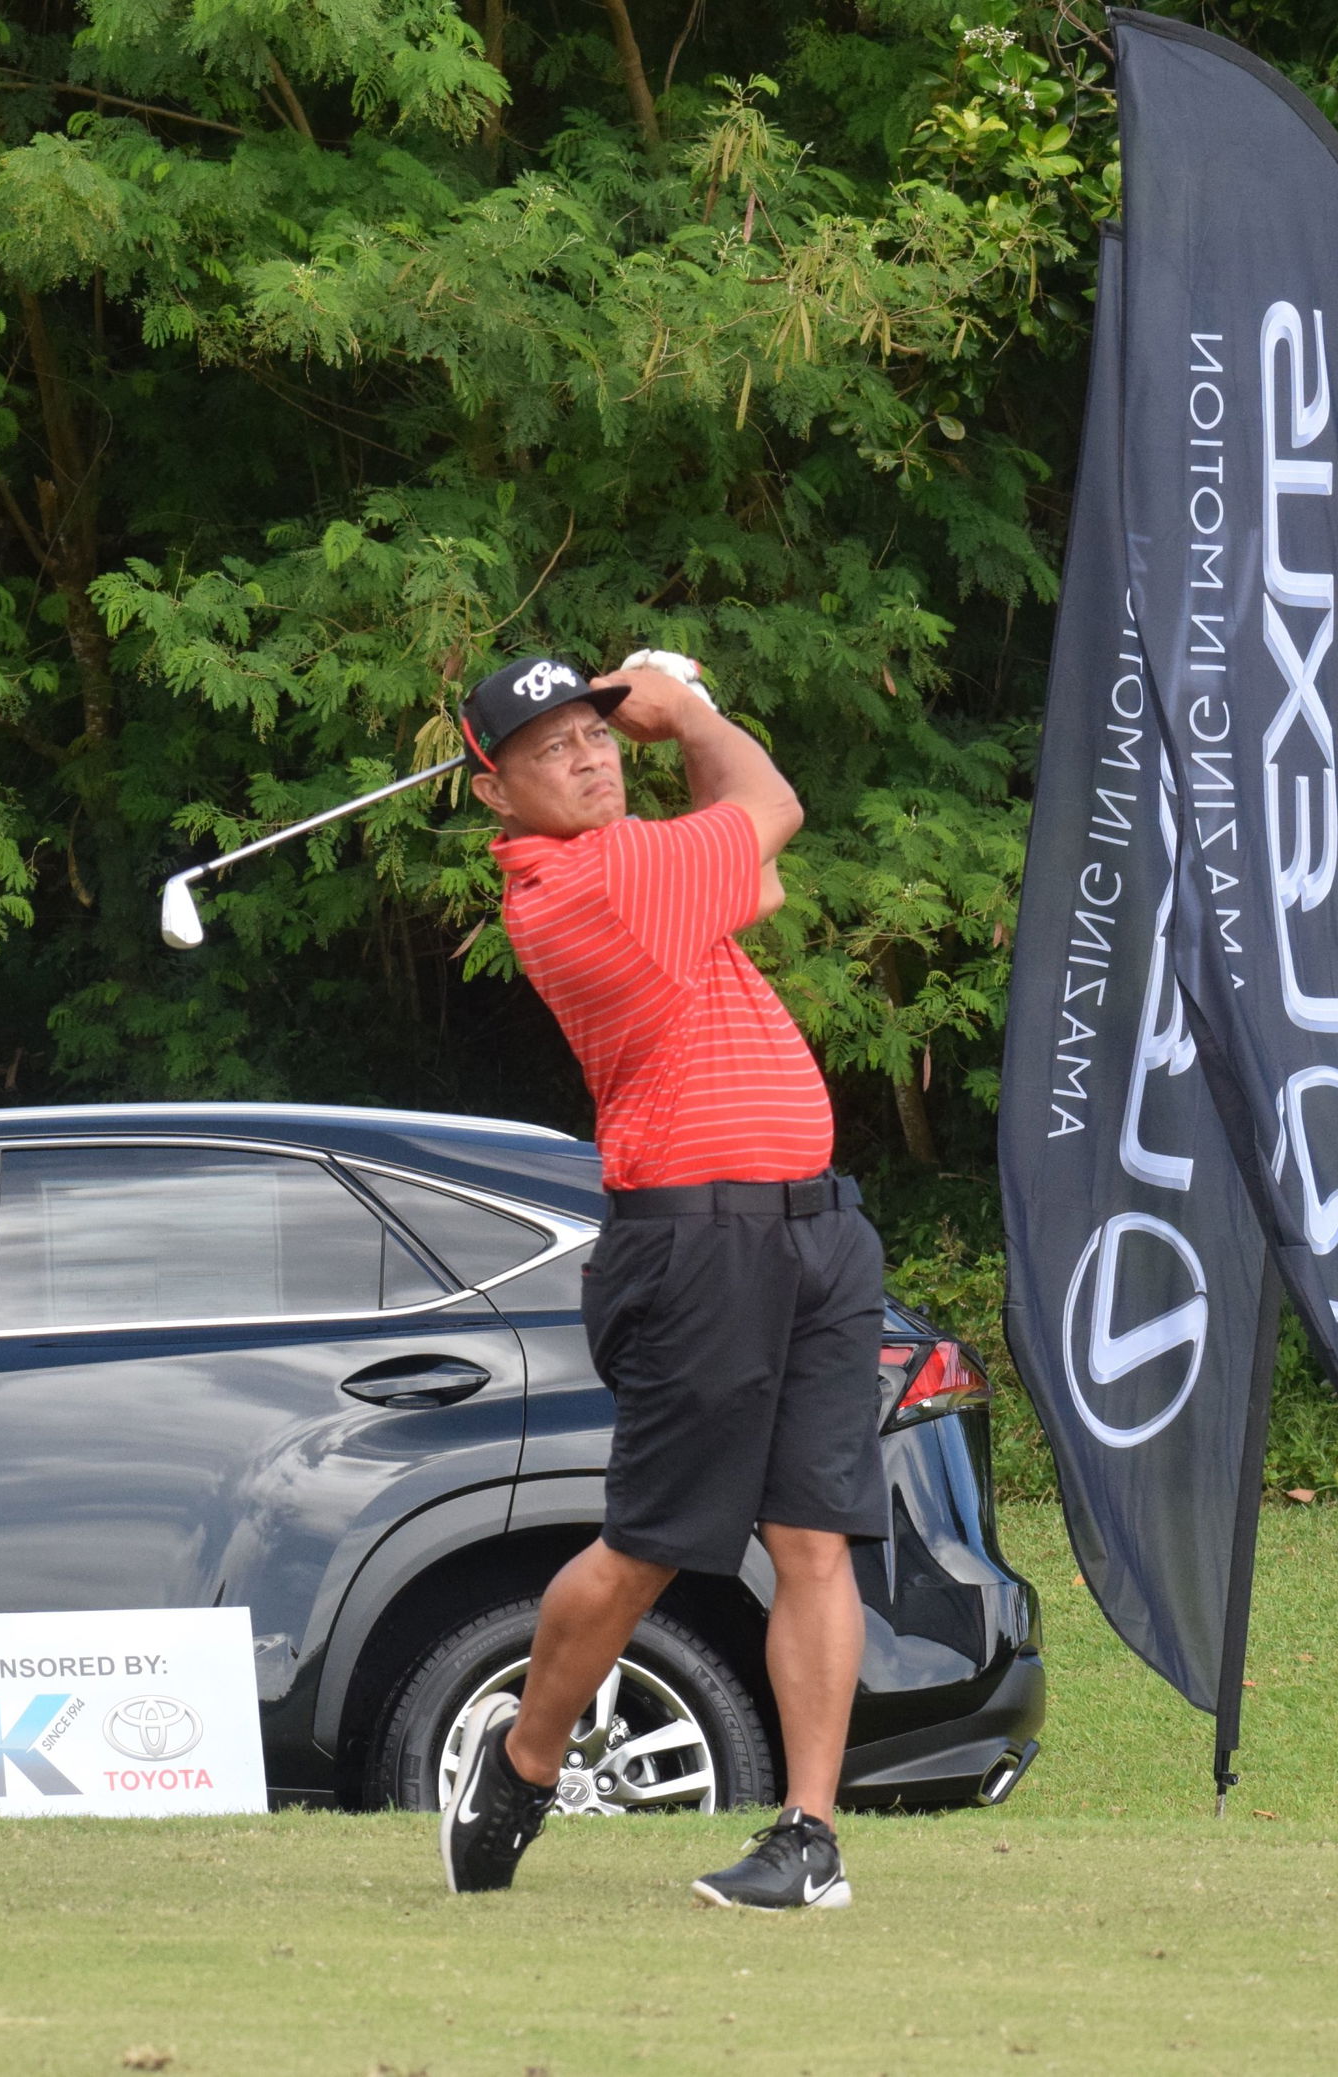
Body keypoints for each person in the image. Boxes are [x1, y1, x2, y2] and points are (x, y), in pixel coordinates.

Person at [441, 653, 887, 1910]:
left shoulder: (648, 865)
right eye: (549, 751)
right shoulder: (585, 886)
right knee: (648, 1545)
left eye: (595, 734)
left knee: (812, 1540)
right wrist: (687, 710)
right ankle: (524, 1760)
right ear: (496, 796)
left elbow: (751, 855)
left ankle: (808, 1839)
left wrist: (686, 743)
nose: (587, 758)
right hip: (696, 1246)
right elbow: (771, 811)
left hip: (813, 1231)